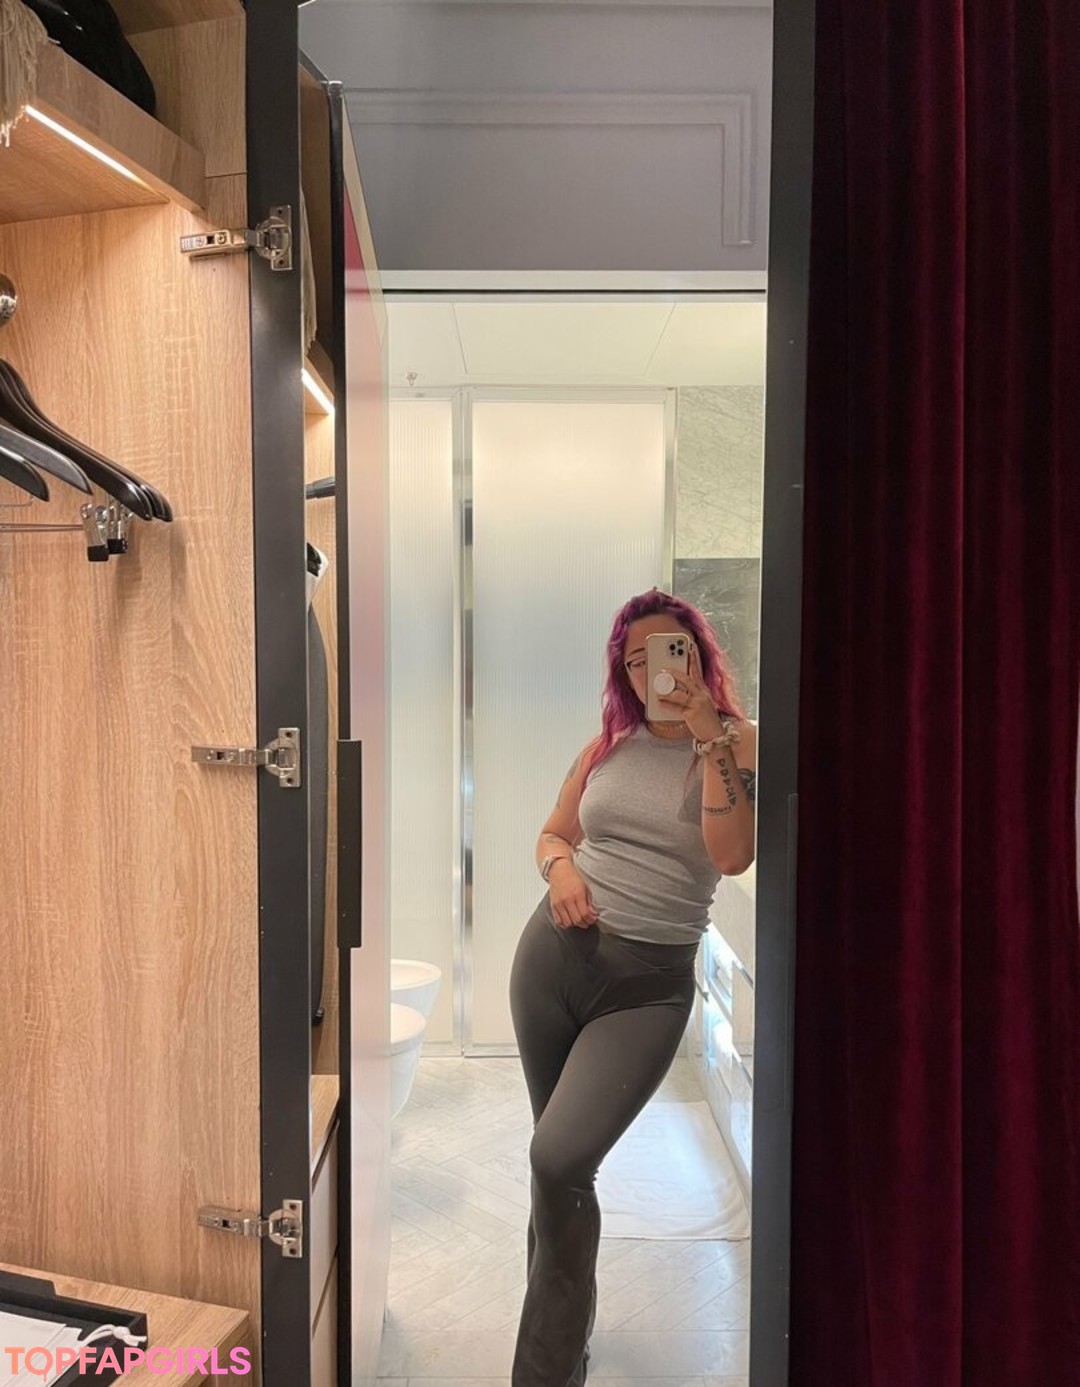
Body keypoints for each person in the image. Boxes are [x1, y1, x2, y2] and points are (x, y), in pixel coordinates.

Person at [508, 589, 757, 1386]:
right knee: (555, 1166)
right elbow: (553, 832)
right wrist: (562, 870)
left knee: (558, 1157)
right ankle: (563, 1333)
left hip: (647, 987)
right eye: (639, 657)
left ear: (699, 655)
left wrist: (709, 736)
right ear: (626, 669)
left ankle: (543, 1371)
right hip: (552, 961)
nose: (658, 669)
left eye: (672, 649)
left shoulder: (739, 742)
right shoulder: (606, 747)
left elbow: (731, 854)